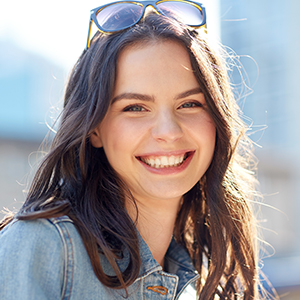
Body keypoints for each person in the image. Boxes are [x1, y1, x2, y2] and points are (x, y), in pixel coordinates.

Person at [0, 1, 274, 299]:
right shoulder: (44, 247)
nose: (168, 132)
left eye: (190, 104)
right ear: (94, 129)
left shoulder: (202, 280)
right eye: (135, 108)